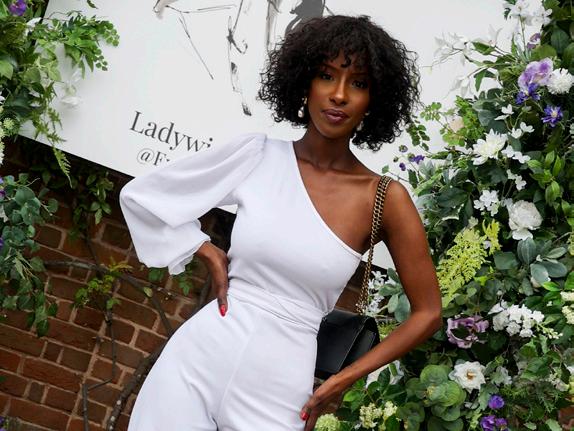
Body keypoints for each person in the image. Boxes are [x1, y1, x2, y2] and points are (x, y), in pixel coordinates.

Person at [119, 14, 442, 431]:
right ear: (304, 81)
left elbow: (428, 313)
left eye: (358, 83)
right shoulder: (257, 156)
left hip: (281, 383)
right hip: (198, 359)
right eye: (326, 75)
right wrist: (205, 250)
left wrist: (344, 378)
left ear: (374, 100)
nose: (339, 94)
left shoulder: (384, 198)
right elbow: (144, 197)